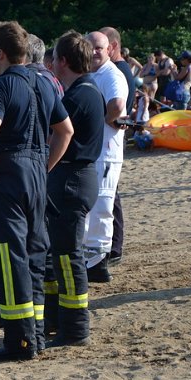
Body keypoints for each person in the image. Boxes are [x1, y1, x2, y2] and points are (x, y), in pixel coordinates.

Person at [0, 21, 72, 361]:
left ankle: (19, 343)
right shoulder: (44, 85)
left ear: (0, 53)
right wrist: (43, 168)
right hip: (37, 177)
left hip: (7, 179)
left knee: (10, 259)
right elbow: (65, 131)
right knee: (34, 256)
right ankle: (37, 337)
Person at [44, 31, 105, 347]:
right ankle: (57, 321)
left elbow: (57, 135)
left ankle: (76, 329)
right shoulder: (85, 90)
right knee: (59, 256)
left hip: (72, 180)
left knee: (68, 258)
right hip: (77, 178)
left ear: (63, 61)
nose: (51, 62)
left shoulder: (78, 95)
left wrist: (43, 169)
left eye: (53, 57)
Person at [82, 32, 129, 283]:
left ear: (109, 49)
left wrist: (99, 121)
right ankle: (91, 260)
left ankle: (99, 263)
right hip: (94, 153)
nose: (96, 52)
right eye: (91, 48)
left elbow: (117, 106)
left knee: (102, 206)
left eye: (99, 48)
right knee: (91, 205)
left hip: (106, 153)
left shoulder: (111, 74)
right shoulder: (92, 73)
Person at [99, 27, 134, 268]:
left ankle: (115, 247)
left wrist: (104, 118)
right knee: (112, 197)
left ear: (112, 46)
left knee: (111, 197)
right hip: (110, 144)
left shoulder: (118, 71)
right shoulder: (118, 71)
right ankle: (114, 246)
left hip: (111, 144)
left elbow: (121, 110)